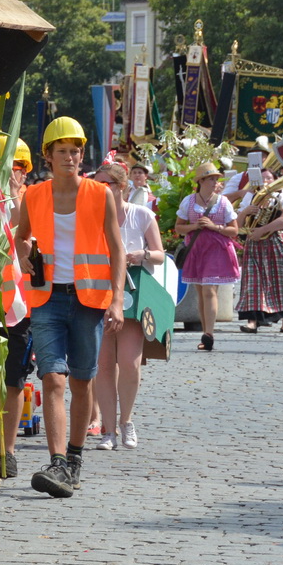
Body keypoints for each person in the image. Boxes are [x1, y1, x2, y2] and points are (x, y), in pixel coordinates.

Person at [12, 116, 126, 499]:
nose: (70, 157)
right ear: (48, 156)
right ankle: (57, 462)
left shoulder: (99, 194)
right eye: (62, 151)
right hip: (46, 297)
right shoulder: (34, 195)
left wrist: (118, 300)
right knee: (53, 378)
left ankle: (74, 459)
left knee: (82, 380)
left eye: (75, 151)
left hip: (90, 300)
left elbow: (116, 248)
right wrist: (25, 256)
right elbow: (20, 237)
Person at [92, 163, 163, 453]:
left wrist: (141, 254)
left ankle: (126, 421)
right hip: (97, 290)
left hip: (133, 292)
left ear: (121, 187)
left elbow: (160, 255)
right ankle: (108, 429)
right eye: (96, 183)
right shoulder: (91, 215)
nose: (100, 189)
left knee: (131, 364)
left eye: (105, 183)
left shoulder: (141, 215)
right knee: (104, 365)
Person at [0, 138, 35, 477]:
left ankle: (7, 450)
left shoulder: (30, 202)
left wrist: (9, 195)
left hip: (20, 309)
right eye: (8, 168)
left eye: (19, 168)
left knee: (13, 381)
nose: (14, 175)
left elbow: (18, 224)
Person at [175, 163, 240, 352]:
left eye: (216, 178)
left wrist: (214, 226)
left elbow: (234, 230)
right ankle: (205, 332)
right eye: (211, 178)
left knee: (210, 290)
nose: (215, 182)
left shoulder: (223, 202)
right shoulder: (189, 201)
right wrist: (194, 227)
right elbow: (179, 227)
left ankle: (209, 334)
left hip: (217, 249)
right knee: (201, 292)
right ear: (201, 181)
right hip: (196, 248)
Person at [235, 169, 283, 335]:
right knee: (252, 281)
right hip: (253, 242)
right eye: (263, 178)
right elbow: (237, 226)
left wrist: (263, 230)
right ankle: (252, 321)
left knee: (280, 280)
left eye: (269, 178)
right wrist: (245, 212)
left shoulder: (282, 196)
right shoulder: (251, 197)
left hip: (274, 240)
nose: (266, 181)